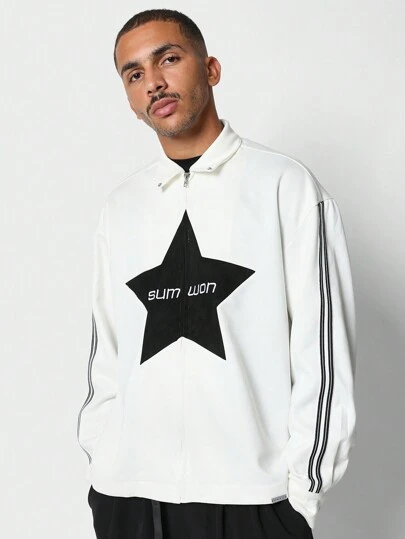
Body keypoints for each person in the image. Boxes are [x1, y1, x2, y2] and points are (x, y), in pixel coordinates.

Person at [76, 8, 357, 539]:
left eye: (168, 59)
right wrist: (103, 467)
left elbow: (323, 354)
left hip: (250, 503)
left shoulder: (286, 187)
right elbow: (105, 355)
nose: (153, 82)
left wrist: (302, 493)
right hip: (128, 500)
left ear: (211, 69)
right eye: (134, 74)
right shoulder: (121, 208)